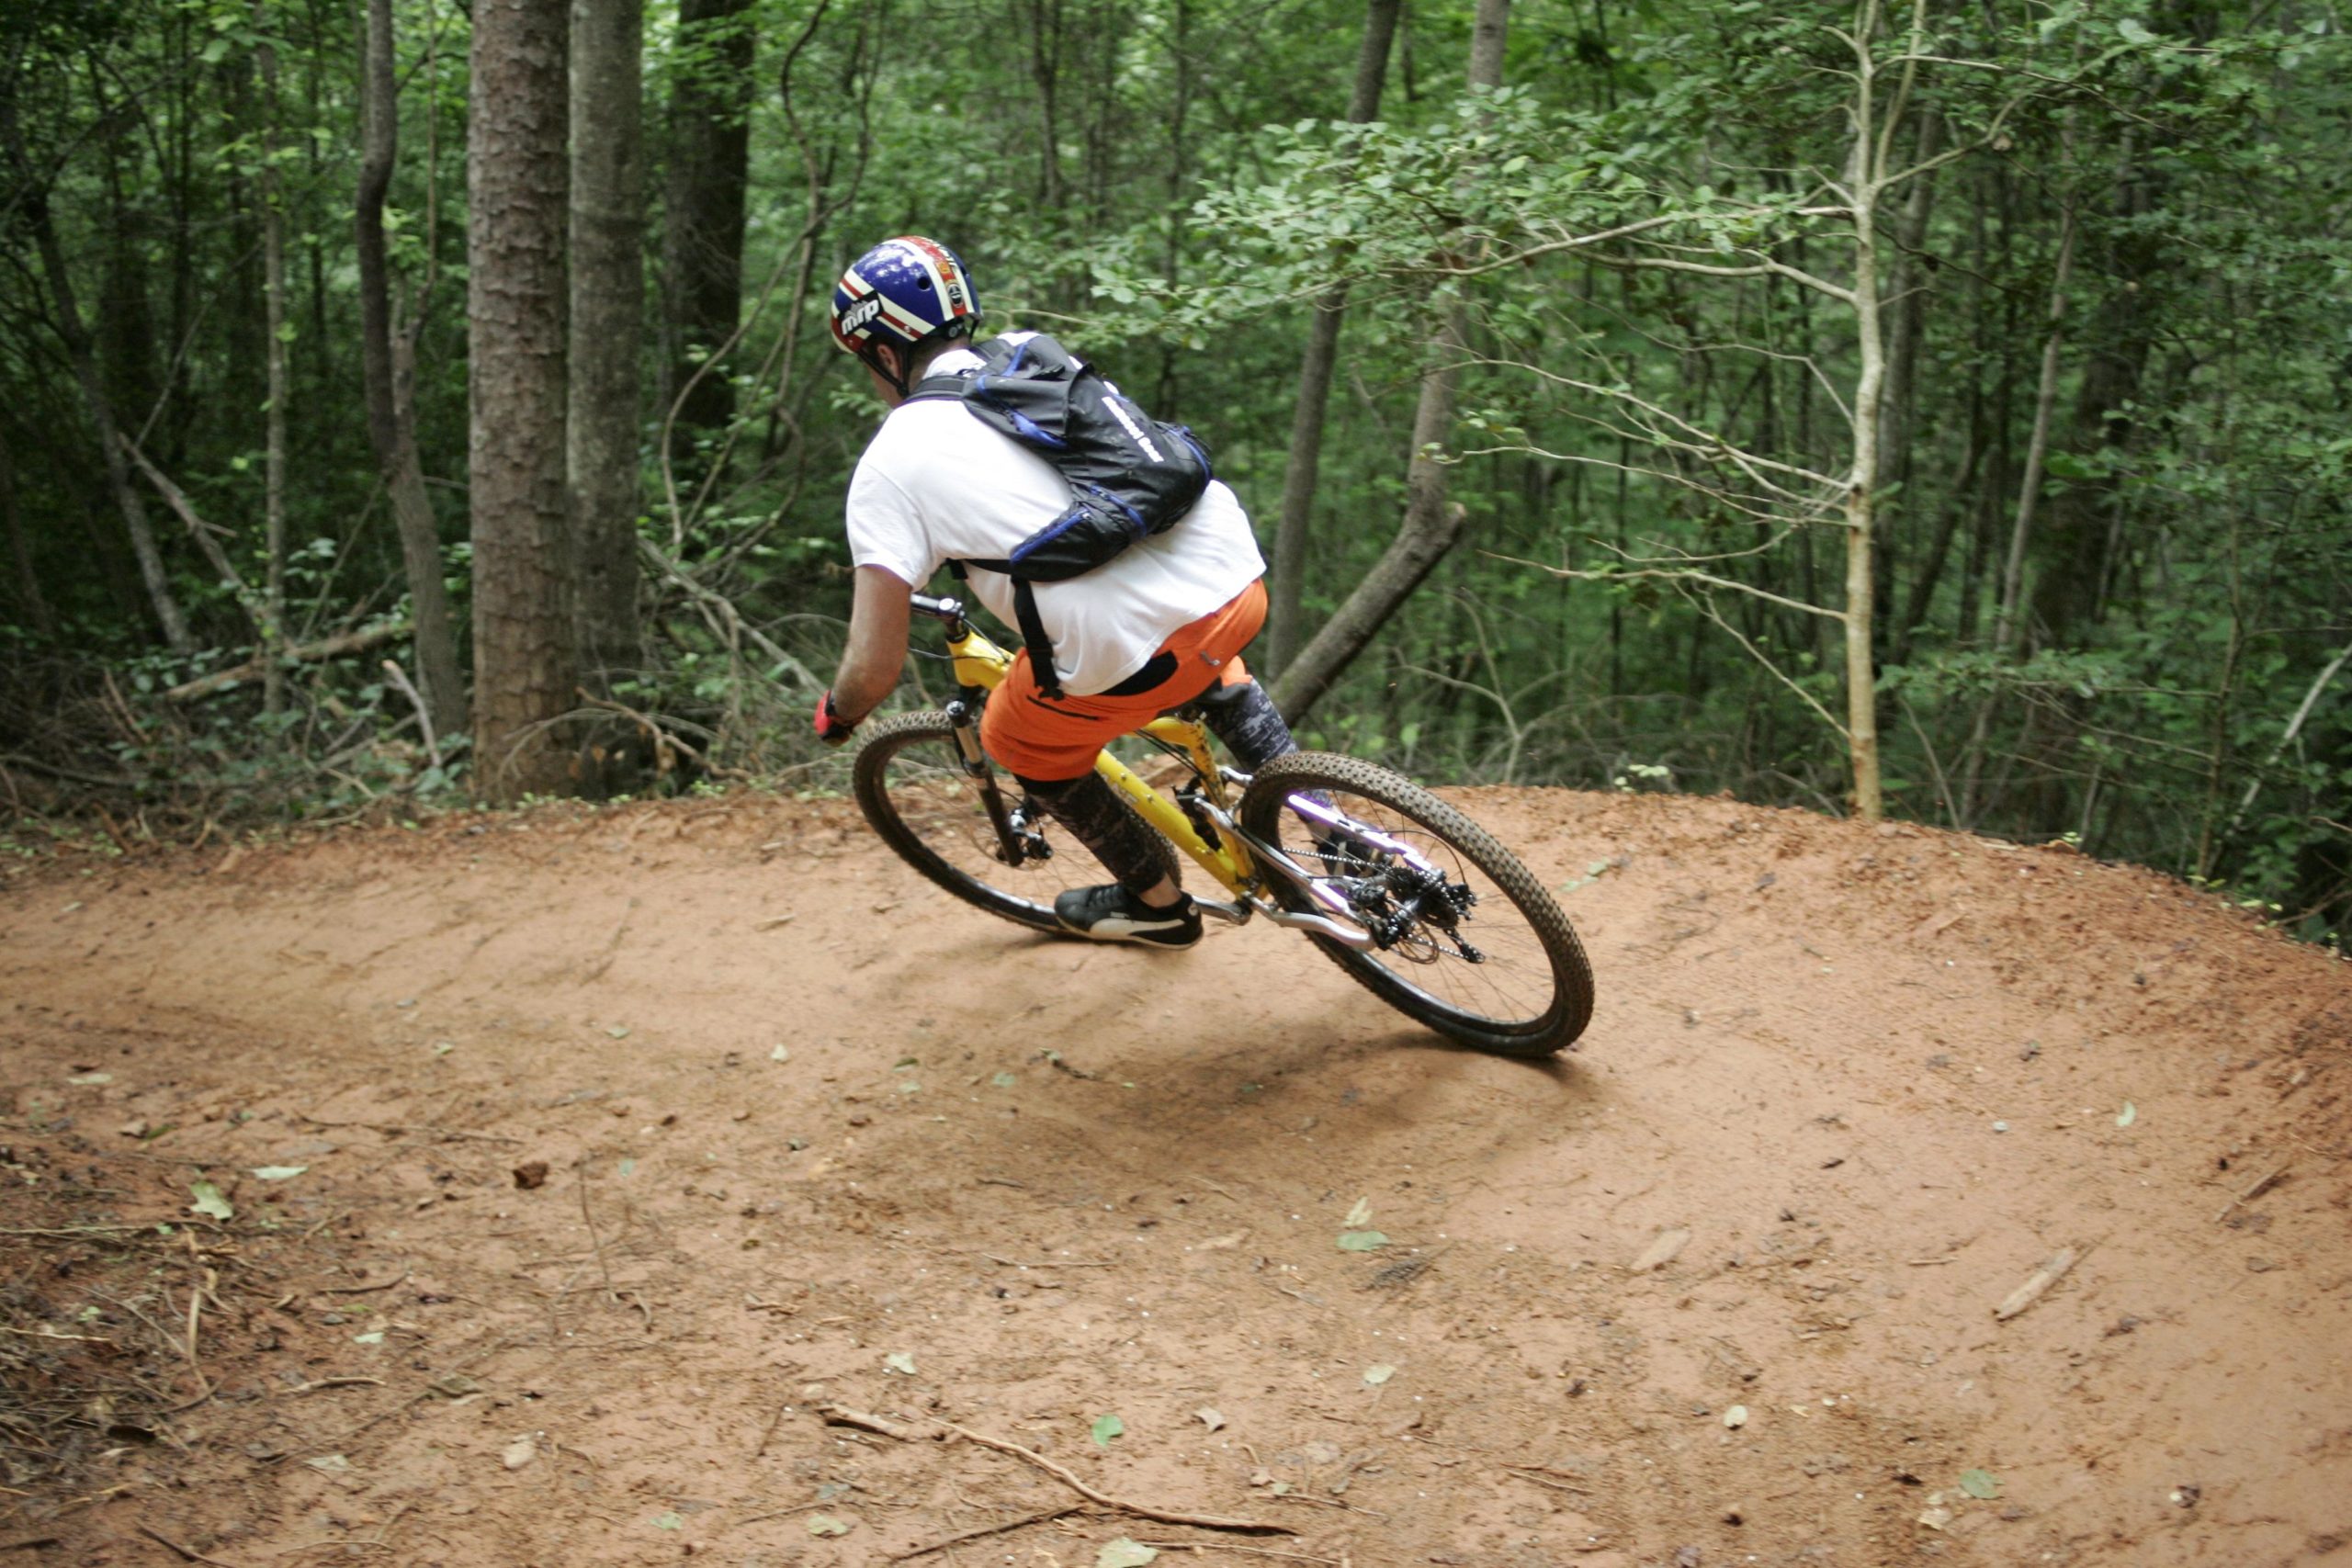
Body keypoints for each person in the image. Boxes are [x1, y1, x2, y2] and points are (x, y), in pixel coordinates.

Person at [813, 235, 1301, 950]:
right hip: (1233, 580)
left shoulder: (889, 465)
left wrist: (840, 713)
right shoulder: (1031, 352)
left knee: (1015, 736)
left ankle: (1158, 904)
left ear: (884, 354)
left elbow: (874, 666)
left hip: (1129, 654)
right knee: (1202, 652)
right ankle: (1326, 815)